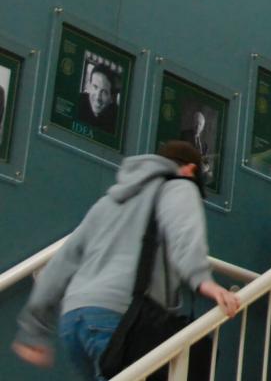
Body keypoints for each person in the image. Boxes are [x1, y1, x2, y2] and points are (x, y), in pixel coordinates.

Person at [11, 140, 241, 380]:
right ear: (191, 169)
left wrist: (34, 328)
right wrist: (204, 281)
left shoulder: (110, 202)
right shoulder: (180, 186)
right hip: (119, 318)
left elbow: (63, 261)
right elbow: (185, 234)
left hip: (75, 318)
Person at [76, 63, 118, 134]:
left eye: (104, 92)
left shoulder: (117, 120)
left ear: (111, 98)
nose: (98, 97)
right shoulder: (77, 101)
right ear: (89, 86)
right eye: (95, 87)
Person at [180, 111, 212, 177]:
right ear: (192, 123)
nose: (197, 126)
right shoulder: (184, 136)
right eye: (196, 123)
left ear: (203, 127)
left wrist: (206, 167)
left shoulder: (204, 145)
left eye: (200, 124)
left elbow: (206, 162)